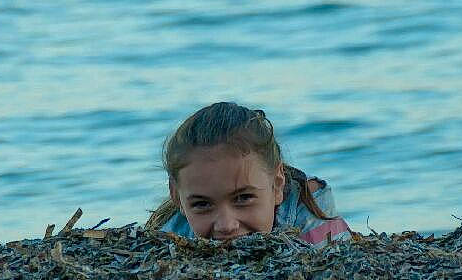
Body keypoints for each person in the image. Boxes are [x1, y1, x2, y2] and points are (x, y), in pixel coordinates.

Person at [145, 102, 351, 245]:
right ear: (176, 196)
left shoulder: (311, 213)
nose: (226, 225)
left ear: (277, 184)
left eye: (243, 198)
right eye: (202, 204)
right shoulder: (168, 240)